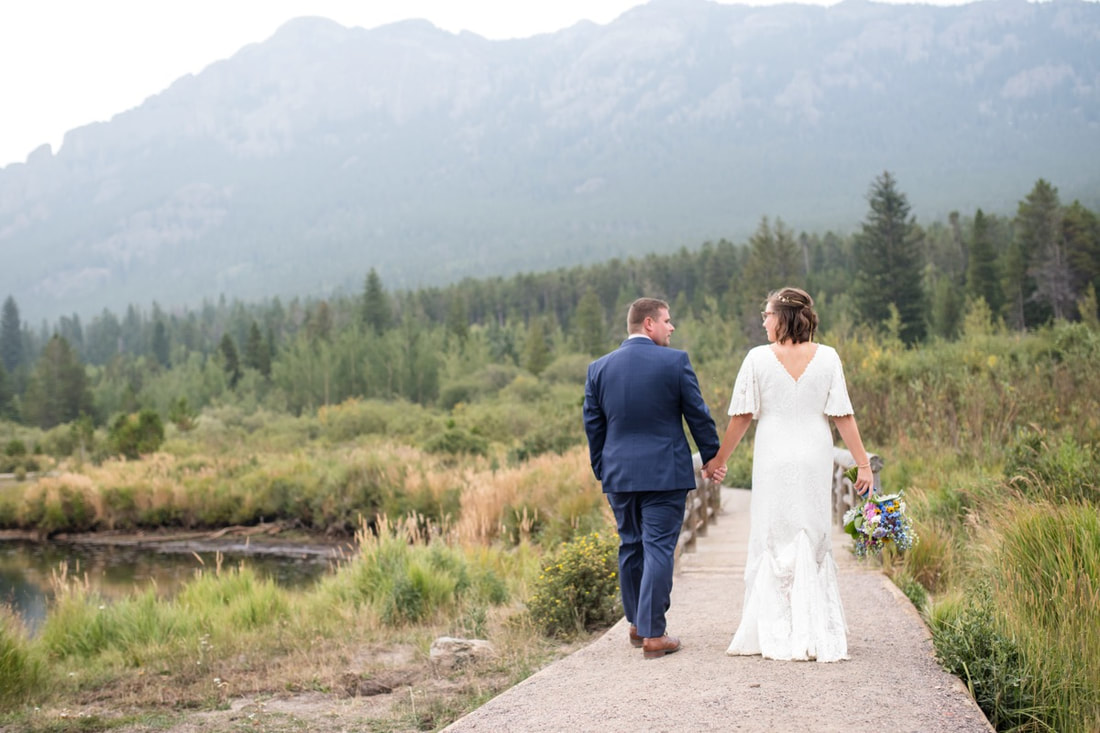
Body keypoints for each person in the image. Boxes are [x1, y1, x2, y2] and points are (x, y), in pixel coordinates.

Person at [703, 287, 873, 662]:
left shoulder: (757, 358)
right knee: (811, 533)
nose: (763, 321)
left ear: (782, 317)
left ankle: (774, 629)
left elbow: (742, 416)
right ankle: (812, 625)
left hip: (774, 453)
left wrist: (718, 460)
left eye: (767, 314)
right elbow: (842, 414)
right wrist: (862, 462)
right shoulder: (828, 357)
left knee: (772, 532)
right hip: (815, 451)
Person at [584, 297, 726, 659]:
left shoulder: (598, 369)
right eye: (667, 321)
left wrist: (604, 469)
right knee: (659, 547)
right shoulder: (674, 362)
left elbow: (594, 426)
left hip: (618, 476)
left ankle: (636, 624)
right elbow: (698, 414)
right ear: (649, 324)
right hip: (665, 473)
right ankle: (653, 634)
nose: (671, 327)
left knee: (631, 546)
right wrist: (712, 458)